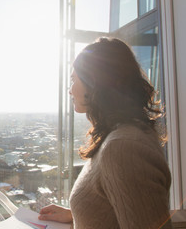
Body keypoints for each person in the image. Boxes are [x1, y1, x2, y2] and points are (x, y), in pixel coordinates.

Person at [38, 37, 172, 229]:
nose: (70, 90)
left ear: (95, 83)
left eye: (74, 79)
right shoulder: (120, 136)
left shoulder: (123, 148)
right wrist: (77, 215)